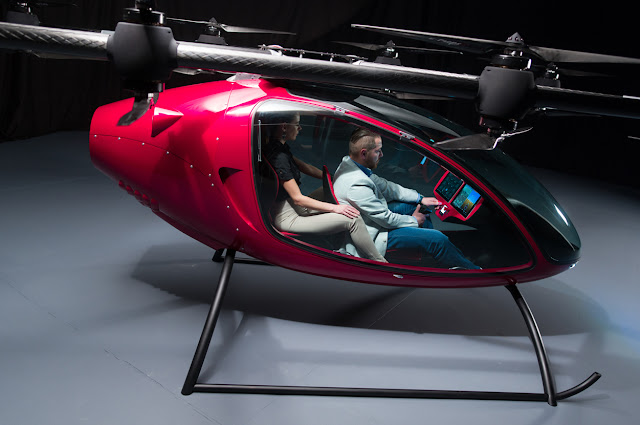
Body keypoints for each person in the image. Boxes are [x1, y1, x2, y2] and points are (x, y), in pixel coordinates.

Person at [332, 128, 480, 269]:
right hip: (373, 235)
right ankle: (468, 269)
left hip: (371, 221)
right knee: (438, 239)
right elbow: (386, 219)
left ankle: (430, 252)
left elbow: (388, 187)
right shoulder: (356, 185)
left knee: (417, 207)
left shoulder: (351, 165)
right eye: (377, 151)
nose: (382, 154)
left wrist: (420, 198)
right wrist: (414, 220)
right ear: (363, 153)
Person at [262, 113, 387, 263]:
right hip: (288, 217)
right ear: (284, 127)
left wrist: (337, 178)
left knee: (332, 189)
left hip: (293, 206)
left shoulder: (278, 148)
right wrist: (336, 209)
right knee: (353, 219)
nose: (300, 128)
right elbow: (298, 199)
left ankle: (351, 238)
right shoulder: (279, 158)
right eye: (296, 124)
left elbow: (305, 167)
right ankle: (380, 262)